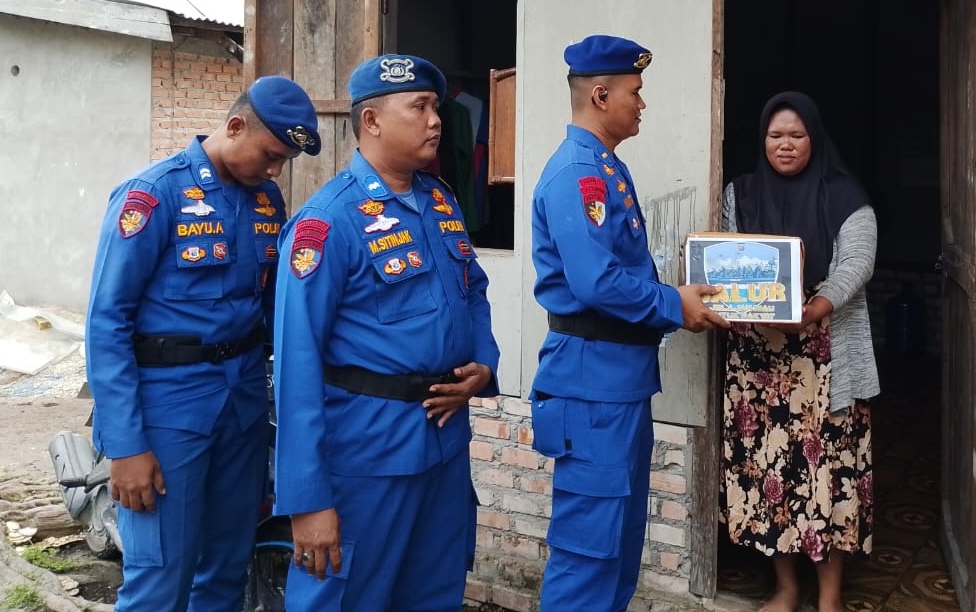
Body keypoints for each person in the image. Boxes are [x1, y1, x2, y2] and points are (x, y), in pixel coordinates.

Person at [85, 75, 321, 612]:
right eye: (270, 154)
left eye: (284, 160)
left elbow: (269, 307)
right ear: (235, 126)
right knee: (160, 575)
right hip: (168, 409)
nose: (275, 169)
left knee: (226, 566)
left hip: (240, 406)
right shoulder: (152, 195)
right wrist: (126, 446)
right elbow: (107, 322)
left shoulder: (265, 200)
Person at [273, 53, 500, 612]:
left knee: (433, 595)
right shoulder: (328, 223)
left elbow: (473, 289)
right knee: (345, 599)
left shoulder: (439, 200)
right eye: (419, 107)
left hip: (443, 447)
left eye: (435, 107)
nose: (436, 120)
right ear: (371, 121)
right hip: (367, 454)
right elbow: (296, 364)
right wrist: (307, 500)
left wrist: (484, 363)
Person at [530, 34, 731, 612]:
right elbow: (596, 283)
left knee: (616, 549)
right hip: (592, 388)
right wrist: (675, 304)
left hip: (617, 382)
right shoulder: (578, 174)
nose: (642, 104)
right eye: (634, 93)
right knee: (588, 553)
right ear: (599, 94)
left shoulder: (605, 167)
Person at [720, 91, 877, 612]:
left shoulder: (845, 194)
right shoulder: (740, 194)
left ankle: (829, 596)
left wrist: (811, 310)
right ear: (761, 139)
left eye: (796, 135)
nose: (784, 145)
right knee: (771, 476)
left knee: (826, 479)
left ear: (815, 137)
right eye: (774, 135)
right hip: (760, 365)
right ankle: (786, 587)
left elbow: (856, 264)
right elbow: (727, 256)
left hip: (826, 357)